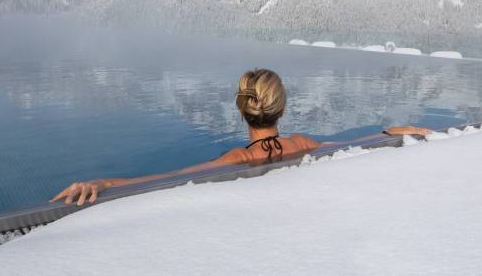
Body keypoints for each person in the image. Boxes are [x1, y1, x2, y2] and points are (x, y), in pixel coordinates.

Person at [52, 68, 432, 206]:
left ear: (242, 109)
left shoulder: (237, 159)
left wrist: (102, 183)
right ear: (281, 108)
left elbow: (164, 180)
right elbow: (349, 147)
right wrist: (389, 131)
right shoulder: (304, 145)